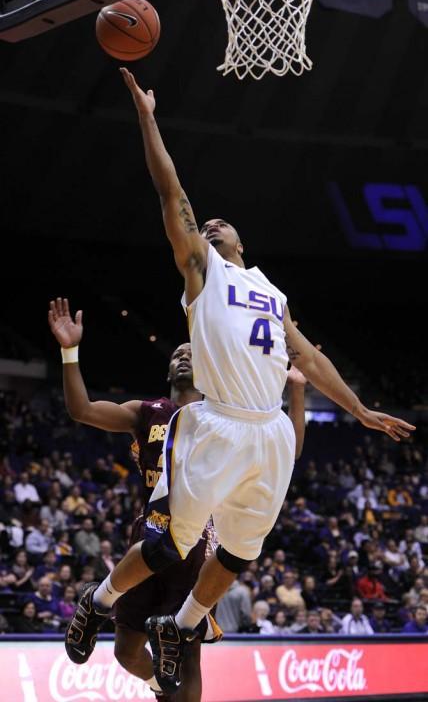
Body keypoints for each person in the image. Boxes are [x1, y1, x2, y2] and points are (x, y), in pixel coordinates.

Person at [66, 67, 414, 696]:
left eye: (223, 223)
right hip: (217, 421)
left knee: (241, 552)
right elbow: (170, 191)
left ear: (244, 240)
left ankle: (182, 624)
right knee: (170, 543)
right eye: (208, 223)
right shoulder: (202, 272)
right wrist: (147, 117)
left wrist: (359, 409)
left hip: (271, 432)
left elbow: (307, 358)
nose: (213, 224)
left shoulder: (272, 293)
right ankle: (97, 600)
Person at [49, 298, 308, 701]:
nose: (184, 356)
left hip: (201, 542)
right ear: (168, 369)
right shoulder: (148, 411)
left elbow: (286, 448)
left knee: (188, 654)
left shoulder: (227, 415)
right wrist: (70, 350)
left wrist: (296, 390)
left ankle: (167, 680)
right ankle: (159, 685)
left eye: (192, 352)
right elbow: (81, 409)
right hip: (150, 535)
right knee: (125, 652)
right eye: (177, 354)